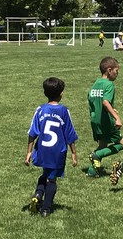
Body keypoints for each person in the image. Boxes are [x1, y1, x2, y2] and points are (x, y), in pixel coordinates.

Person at [22, 77, 80, 217]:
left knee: (45, 174)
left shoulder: (40, 110)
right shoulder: (64, 111)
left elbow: (32, 132)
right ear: (61, 94)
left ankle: (38, 194)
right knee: (52, 179)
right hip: (57, 152)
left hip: (42, 150)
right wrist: (74, 153)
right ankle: (45, 209)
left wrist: (29, 152)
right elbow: (69, 134)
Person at [86, 57, 123, 177]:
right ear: (109, 70)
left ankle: (92, 172)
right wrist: (116, 117)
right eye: (116, 71)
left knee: (103, 145)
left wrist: (110, 109)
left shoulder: (95, 84)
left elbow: (93, 101)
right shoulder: (109, 85)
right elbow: (105, 102)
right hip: (105, 121)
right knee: (121, 144)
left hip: (95, 120)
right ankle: (96, 155)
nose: (117, 74)